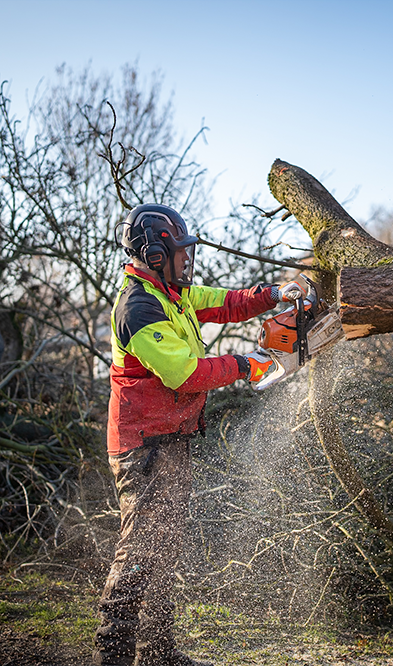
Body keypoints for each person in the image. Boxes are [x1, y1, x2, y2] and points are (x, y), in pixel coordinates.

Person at [94, 204, 301, 666]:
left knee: (165, 548)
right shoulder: (139, 306)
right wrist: (245, 364)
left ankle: (158, 654)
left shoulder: (174, 293)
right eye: (180, 250)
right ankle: (113, 655)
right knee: (141, 550)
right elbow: (183, 374)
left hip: (170, 438)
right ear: (155, 253)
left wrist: (273, 294)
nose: (187, 258)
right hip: (142, 445)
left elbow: (228, 303)